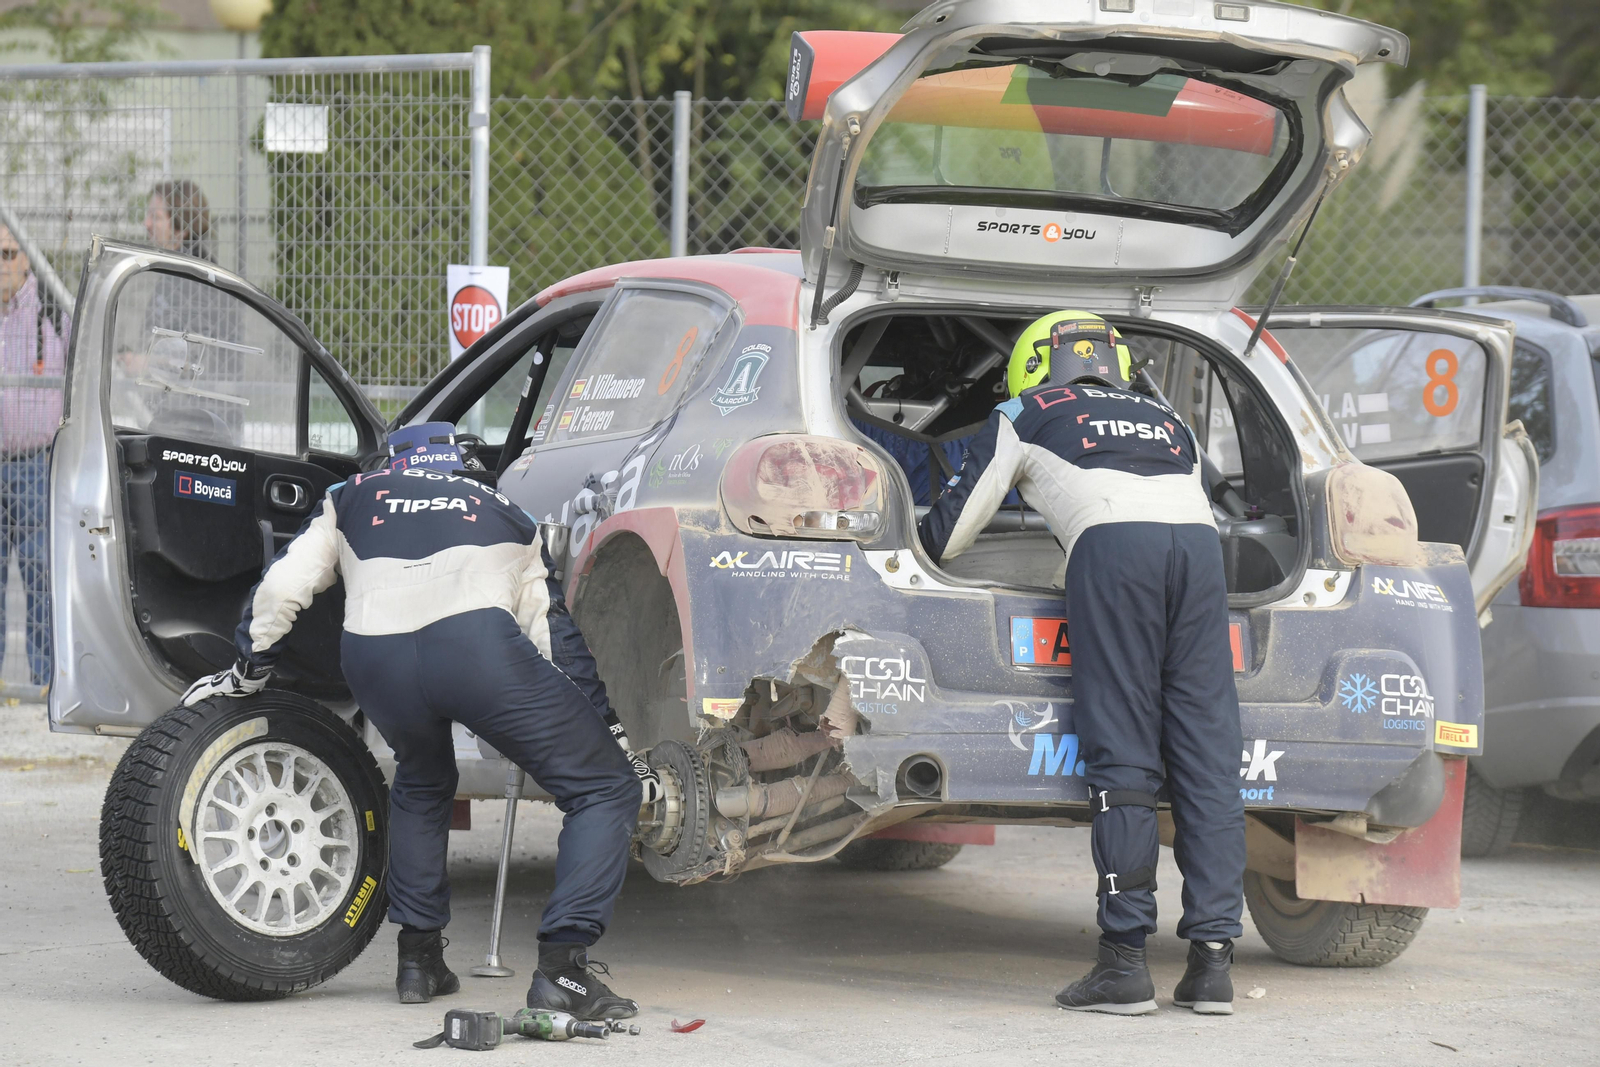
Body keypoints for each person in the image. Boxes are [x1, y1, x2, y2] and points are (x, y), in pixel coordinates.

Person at [181, 422, 659, 1017]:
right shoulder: (501, 507)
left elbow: (281, 587)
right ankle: (563, 972)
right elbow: (553, 637)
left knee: (422, 777)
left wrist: (247, 673)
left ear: (392, 462)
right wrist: (608, 732)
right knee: (603, 788)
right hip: (477, 652)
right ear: (457, 464)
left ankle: (419, 959)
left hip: (374, 656)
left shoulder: (353, 493)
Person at [919, 311, 1245, 1016]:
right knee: (1207, 753)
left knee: (1124, 752)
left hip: (1113, 550)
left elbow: (950, 534)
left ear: (1037, 364)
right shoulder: (1168, 420)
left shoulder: (1025, 409)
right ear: (1116, 363)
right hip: (1198, 554)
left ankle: (1125, 962)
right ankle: (1213, 964)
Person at [0, 226, 67, 691]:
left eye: (7, 253)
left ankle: (46, 680)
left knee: (40, 572)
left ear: (26, 260)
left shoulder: (54, 316)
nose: (1, 264)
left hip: (33, 465)